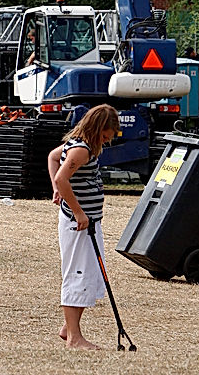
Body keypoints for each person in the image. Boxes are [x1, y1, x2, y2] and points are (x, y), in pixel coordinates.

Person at [47, 103, 121, 350]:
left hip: (89, 223)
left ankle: (68, 327)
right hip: (78, 223)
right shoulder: (80, 149)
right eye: (106, 135)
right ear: (98, 128)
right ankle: (74, 338)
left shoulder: (79, 145)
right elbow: (62, 177)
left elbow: (54, 157)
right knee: (77, 274)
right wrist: (77, 211)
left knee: (90, 273)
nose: (107, 140)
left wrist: (58, 190)